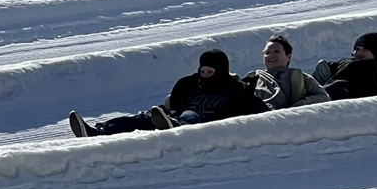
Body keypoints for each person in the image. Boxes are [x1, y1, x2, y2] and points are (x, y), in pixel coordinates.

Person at [68, 48, 269, 137]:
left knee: (191, 116)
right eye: (203, 71)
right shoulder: (191, 84)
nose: (206, 76)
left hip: (204, 122)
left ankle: (173, 126)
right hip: (177, 115)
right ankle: (98, 131)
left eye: (211, 72)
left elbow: (260, 110)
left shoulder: (235, 89)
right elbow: (175, 102)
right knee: (142, 118)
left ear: (222, 71)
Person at [242, 35, 331, 108]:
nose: (271, 55)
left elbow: (325, 97)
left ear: (288, 56)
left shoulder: (299, 76)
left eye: (276, 51)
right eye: (267, 53)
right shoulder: (254, 78)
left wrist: (304, 102)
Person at [312, 31, 377, 100]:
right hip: (328, 89)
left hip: (350, 93)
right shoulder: (344, 61)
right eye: (357, 49)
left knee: (334, 88)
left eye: (365, 50)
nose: (359, 53)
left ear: (375, 52)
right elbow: (325, 68)